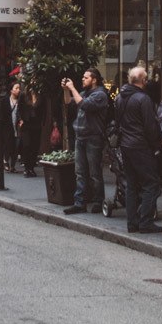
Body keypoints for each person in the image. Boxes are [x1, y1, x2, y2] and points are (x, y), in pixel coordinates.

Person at [116, 66, 162, 233]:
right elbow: (150, 126)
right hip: (140, 145)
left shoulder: (120, 98)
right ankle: (145, 221)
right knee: (152, 183)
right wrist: (156, 145)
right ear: (143, 81)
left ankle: (132, 222)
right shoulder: (143, 99)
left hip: (126, 145)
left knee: (131, 184)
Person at [61, 67, 112, 215]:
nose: (83, 79)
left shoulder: (100, 94)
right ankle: (80, 203)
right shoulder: (84, 93)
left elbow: (84, 105)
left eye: (86, 77)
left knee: (94, 172)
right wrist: (66, 89)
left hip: (93, 137)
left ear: (94, 80)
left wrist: (72, 87)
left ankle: (98, 201)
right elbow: (69, 102)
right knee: (80, 172)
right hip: (80, 136)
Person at [0, 80, 22, 172]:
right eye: (16, 88)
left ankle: (13, 166)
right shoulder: (4, 101)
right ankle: (5, 161)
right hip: (7, 127)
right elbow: (0, 115)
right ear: (11, 90)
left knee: (16, 146)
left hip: (17, 127)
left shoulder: (20, 101)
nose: (18, 90)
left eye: (19, 88)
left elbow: (22, 112)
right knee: (8, 145)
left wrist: (21, 120)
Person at [16, 85, 41, 178]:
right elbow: (19, 108)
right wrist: (20, 120)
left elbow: (43, 108)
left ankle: (31, 168)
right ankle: (26, 168)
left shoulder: (40, 94)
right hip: (26, 123)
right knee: (27, 145)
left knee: (35, 146)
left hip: (36, 124)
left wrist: (43, 121)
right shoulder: (23, 95)